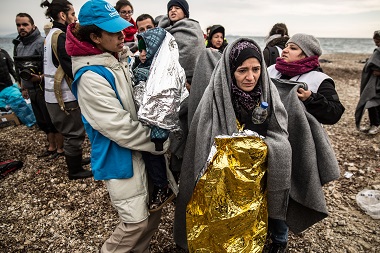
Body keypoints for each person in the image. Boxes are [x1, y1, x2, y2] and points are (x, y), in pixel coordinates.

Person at [65, 0, 170, 251]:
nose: (122, 34)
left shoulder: (117, 59)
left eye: (122, 28)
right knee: (134, 223)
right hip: (120, 155)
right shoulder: (91, 76)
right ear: (95, 37)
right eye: (113, 31)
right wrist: (159, 141)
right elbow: (117, 126)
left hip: (141, 150)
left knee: (152, 212)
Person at [173, 38, 292, 251]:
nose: (250, 77)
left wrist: (263, 147)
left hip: (256, 186)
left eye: (256, 69)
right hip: (219, 187)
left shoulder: (268, 94)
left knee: (248, 235)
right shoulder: (213, 100)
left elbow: (280, 135)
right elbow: (202, 144)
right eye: (242, 70)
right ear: (229, 71)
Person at [267, 33, 344, 252]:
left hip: (297, 144)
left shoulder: (318, 80)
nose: (285, 50)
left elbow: (335, 113)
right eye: (286, 46)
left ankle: (280, 239)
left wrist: (311, 99)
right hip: (268, 140)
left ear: (306, 54)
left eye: (292, 47)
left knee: (285, 189)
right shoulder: (271, 70)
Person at [133, 27, 186, 211]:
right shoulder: (143, 66)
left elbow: (166, 105)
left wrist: (158, 134)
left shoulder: (167, 72)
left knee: (154, 159)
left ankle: (162, 187)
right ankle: (158, 186)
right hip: (142, 127)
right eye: (140, 49)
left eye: (145, 49)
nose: (142, 53)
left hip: (155, 132)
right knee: (149, 162)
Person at [40, 0, 92, 180]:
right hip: (63, 96)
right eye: (72, 14)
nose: (75, 18)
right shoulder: (60, 36)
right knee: (74, 133)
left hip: (51, 95)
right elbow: (68, 65)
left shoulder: (49, 35)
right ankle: (75, 170)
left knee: (71, 132)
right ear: (63, 15)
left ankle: (76, 161)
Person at [156, 0, 205, 181]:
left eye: (177, 8)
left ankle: (183, 169)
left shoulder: (192, 30)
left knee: (185, 124)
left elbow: (192, 56)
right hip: (167, 84)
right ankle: (173, 168)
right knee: (171, 123)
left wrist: (182, 77)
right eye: (170, 8)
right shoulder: (163, 31)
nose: (173, 11)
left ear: (185, 12)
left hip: (189, 84)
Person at [13, 12, 64, 159]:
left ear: (33, 25)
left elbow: (53, 66)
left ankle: (60, 149)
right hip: (31, 89)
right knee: (42, 121)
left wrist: (40, 77)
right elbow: (18, 67)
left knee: (52, 120)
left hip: (45, 87)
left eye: (25, 24)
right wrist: (23, 86)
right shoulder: (18, 45)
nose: (21, 28)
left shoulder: (43, 42)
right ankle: (51, 146)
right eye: (18, 25)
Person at [355, 30, 380, 135]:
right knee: (373, 103)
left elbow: (375, 68)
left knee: (371, 102)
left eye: (378, 42)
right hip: (376, 84)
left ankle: (375, 124)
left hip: (376, 84)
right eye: (376, 42)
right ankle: (374, 124)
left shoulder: (378, 51)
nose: (377, 44)